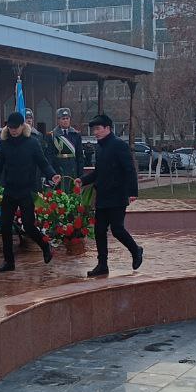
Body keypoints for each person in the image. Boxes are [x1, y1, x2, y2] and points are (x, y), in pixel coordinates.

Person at [0, 112, 59, 272]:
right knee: (5, 226)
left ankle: (45, 246)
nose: (13, 130)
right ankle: (9, 262)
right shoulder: (4, 143)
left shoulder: (32, 142)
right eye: (10, 127)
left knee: (28, 225)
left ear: (22, 126)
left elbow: (43, 162)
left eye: (16, 127)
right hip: (10, 190)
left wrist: (52, 174)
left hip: (27, 190)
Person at [79, 114, 143, 277]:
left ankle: (136, 250)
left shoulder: (119, 145)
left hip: (117, 195)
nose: (95, 132)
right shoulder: (100, 147)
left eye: (98, 129)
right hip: (102, 195)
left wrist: (132, 192)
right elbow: (98, 172)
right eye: (94, 129)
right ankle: (102, 265)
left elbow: (130, 169)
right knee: (99, 230)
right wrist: (83, 180)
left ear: (108, 128)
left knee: (117, 229)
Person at [45, 107, 83, 192]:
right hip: (59, 171)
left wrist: (80, 176)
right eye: (63, 119)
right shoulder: (52, 135)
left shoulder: (76, 135)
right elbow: (49, 157)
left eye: (67, 118)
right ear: (58, 120)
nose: (65, 121)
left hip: (73, 171)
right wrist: (51, 174)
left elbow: (80, 156)